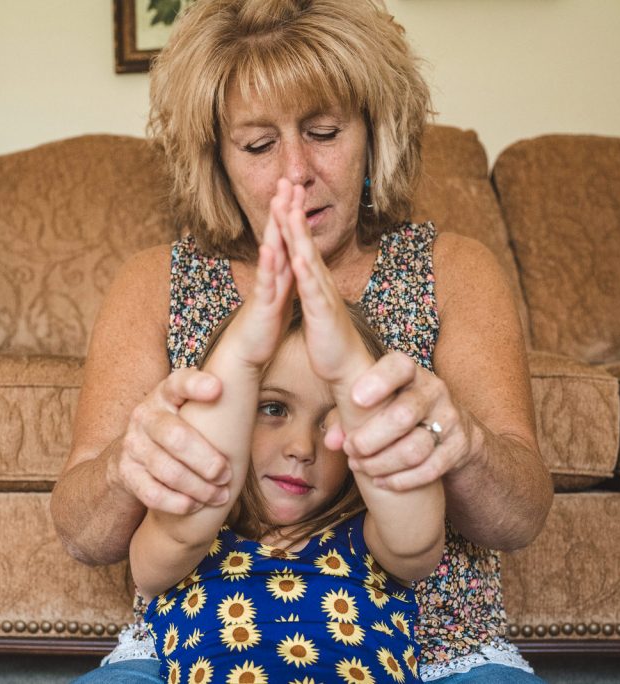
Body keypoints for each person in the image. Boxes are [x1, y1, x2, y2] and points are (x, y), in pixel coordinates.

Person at [51, 0, 553, 681]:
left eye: (323, 132)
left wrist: (457, 440)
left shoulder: (453, 268)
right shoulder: (154, 281)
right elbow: (87, 535)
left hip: (432, 654)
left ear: (375, 132)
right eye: (259, 146)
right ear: (218, 160)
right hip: (192, 652)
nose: (296, 171)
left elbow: (515, 519)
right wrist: (124, 467)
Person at [133, 186, 447, 683]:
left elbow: (419, 534)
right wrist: (243, 354)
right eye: (273, 408)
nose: (303, 448)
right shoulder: (191, 536)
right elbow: (199, 483)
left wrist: (349, 371)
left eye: (332, 423)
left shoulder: (367, 541)